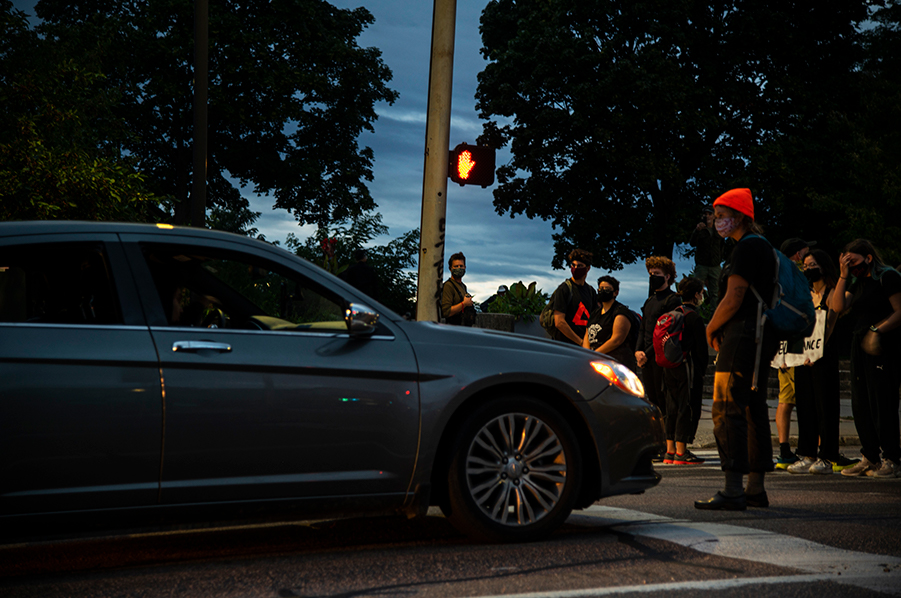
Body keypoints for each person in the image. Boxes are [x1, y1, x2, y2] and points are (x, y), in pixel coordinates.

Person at [696, 188, 778, 511]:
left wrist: (711, 326)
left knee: (726, 405)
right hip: (759, 333)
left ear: (739, 216)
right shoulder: (763, 247)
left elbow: (734, 297)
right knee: (752, 406)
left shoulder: (746, 248)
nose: (717, 222)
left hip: (743, 333)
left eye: (721, 216)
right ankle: (755, 487)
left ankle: (732, 489)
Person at [832, 239, 901, 478]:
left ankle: (892, 458)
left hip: (882, 344)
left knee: (882, 401)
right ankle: (870, 456)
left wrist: (877, 330)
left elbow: (899, 310)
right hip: (859, 342)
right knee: (861, 403)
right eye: (846, 261)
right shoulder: (856, 280)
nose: (851, 266)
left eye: (854, 261)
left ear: (869, 258)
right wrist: (843, 275)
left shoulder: (887, 276)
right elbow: (837, 306)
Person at [788, 249, 860, 474]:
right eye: (805, 266)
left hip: (823, 356)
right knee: (805, 406)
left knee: (825, 406)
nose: (808, 269)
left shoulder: (833, 292)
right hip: (803, 356)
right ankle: (807, 453)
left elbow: (832, 318)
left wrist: (816, 351)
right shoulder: (804, 294)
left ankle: (827, 455)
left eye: (812, 265)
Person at [773, 237, 816, 469]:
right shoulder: (792, 276)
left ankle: (786, 449)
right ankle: (798, 450)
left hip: (783, 347)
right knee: (793, 399)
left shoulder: (777, 273)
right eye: (805, 255)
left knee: (786, 400)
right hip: (794, 347)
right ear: (798, 255)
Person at [661, 276, 709, 465]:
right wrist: (701, 371)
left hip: (669, 367)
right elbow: (701, 350)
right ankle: (682, 452)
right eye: (702, 293)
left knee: (671, 407)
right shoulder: (693, 317)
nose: (702, 296)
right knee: (686, 407)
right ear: (696, 294)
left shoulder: (672, 313)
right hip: (687, 368)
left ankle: (670, 451)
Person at [635, 256, 681, 419]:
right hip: (646, 358)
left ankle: (669, 438)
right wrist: (638, 351)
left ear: (667, 276)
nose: (652, 277)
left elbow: (666, 331)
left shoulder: (673, 300)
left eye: (656, 273)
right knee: (652, 398)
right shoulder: (650, 301)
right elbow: (643, 327)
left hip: (662, 357)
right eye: (650, 273)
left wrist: (646, 353)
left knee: (664, 399)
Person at [583, 275, 638, 373]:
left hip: (616, 363)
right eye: (600, 289)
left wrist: (594, 354)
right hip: (595, 361)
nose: (603, 291)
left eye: (607, 289)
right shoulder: (595, 313)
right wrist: (587, 354)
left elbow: (616, 340)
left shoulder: (621, 312)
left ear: (615, 293)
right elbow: (587, 335)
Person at [550, 249, 598, 345]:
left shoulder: (590, 291)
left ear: (588, 268)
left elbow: (595, 320)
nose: (575, 268)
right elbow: (559, 322)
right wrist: (580, 342)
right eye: (573, 265)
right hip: (564, 346)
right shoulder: (564, 289)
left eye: (579, 266)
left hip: (584, 347)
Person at [689, 206, 724, 309]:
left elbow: (721, 246)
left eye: (710, 214)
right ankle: (695, 315)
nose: (707, 216)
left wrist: (719, 259)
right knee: (696, 290)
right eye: (705, 214)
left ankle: (715, 319)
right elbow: (692, 243)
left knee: (716, 293)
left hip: (715, 266)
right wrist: (697, 231)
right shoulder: (700, 230)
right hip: (702, 266)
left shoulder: (718, 230)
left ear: (714, 216)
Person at [441, 252, 476, 326]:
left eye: (461, 266)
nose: (459, 268)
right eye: (456, 266)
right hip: (453, 329)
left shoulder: (463, 286)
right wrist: (464, 304)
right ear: (450, 268)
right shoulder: (448, 286)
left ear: (465, 267)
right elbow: (446, 312)